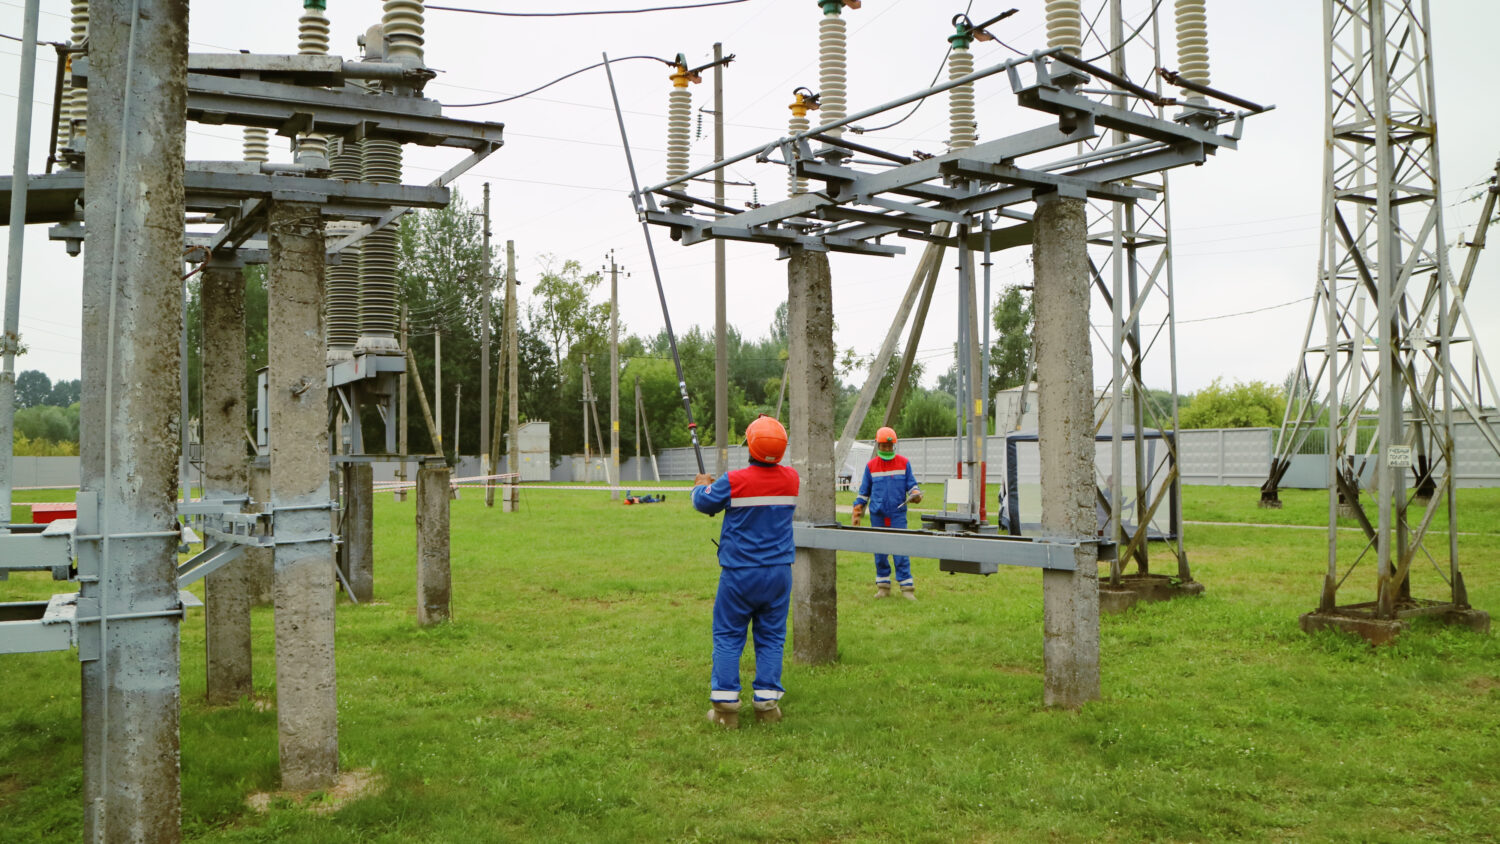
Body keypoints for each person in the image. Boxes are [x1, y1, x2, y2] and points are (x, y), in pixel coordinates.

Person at [692, 414, 800, 729]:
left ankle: (725, 710)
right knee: (771, 636)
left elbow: (704, 504)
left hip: (739, 573)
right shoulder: (791, 479)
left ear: (749, 445)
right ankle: (767, 707)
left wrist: (702, 487)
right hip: (779, 572)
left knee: (728, 634)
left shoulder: (734, 480)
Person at [851, 426, 923, 600]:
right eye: (884, 446)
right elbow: (864, 492)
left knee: (900, 550)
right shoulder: (871, 466)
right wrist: (857, 510)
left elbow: (912, 486)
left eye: (890, 446)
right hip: (878, 515)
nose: (887, 449)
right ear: (878, 446)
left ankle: (907, 589)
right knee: (880, 552)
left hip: (897, 515)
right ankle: (883, 587)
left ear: (894, 446)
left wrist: (915, 494)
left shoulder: (904, 463)